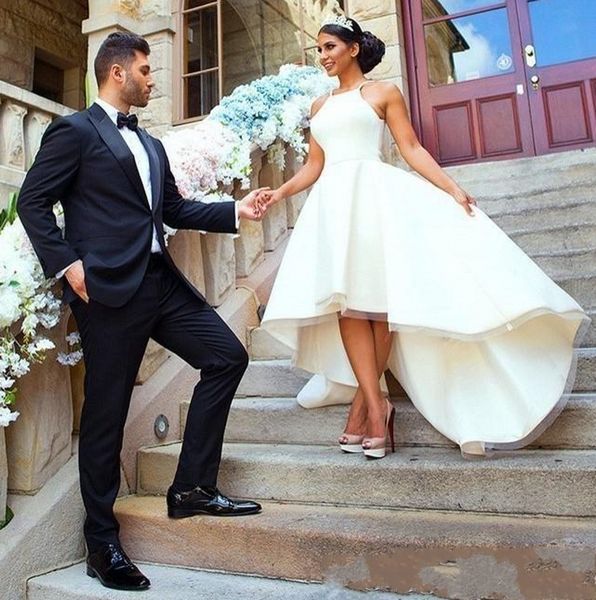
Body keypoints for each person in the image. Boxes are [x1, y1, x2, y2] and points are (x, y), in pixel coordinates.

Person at [260, 16, 590, 460]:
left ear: (353, 48)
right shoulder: (319, 107)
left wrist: (452, 188)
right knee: (346, 307)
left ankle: (368, 410)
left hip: (373, 199)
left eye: (329, 47)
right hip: (333, 205)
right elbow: (315, 165)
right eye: (318, 50)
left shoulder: (383, 93)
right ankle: (375, 403)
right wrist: (280, 191)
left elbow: (411, 148)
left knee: (375, 306)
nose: (322, 57)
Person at [17, 32, 266, 592]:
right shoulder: (75, 131)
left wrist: (235, 209)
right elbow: (33, 200)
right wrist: (68, 266)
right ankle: (101, 543)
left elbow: (172, 208)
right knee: (106, 418)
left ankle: (192, 488)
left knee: (226, 356)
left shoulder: (150, 144)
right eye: (147, 70)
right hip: (105, 292)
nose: (155, 79)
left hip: (161, 283)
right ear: (117, 72)